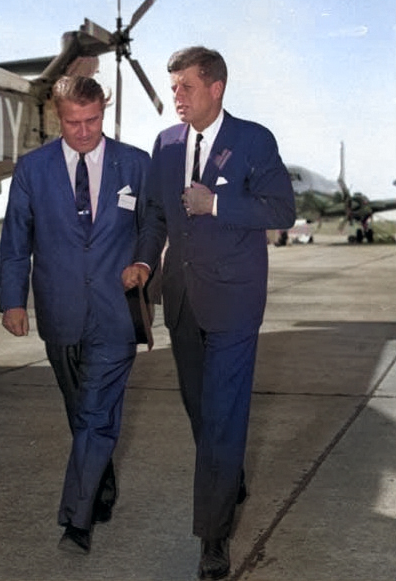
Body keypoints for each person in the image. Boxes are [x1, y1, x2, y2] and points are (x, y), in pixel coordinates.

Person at [122, 47, 296, 580]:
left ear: (216, 88)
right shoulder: (167, 144)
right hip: (182, 299)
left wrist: (218, 204)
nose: (176, 97)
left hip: (235, 300)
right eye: (173, 87)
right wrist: (145, 260)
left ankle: (213, 539)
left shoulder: (253, 140)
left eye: (186, 87)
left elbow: (282, 209)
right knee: (200, 409)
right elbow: (154, 214)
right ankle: (227, 475)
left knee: (221, 415)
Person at [0, 75, 150, 555]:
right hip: (60, 312)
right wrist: (13, 301)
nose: (84, 132)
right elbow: (16, 240)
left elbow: (153, 225)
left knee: (95, 414)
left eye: (93, 121)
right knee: (81, 412)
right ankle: (99, 482)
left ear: (103, 112)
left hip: (115, 313)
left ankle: (76, 521)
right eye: (72, 122)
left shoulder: (136, 164)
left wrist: (144, 262)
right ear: (56, 118)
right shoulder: (32, 169)